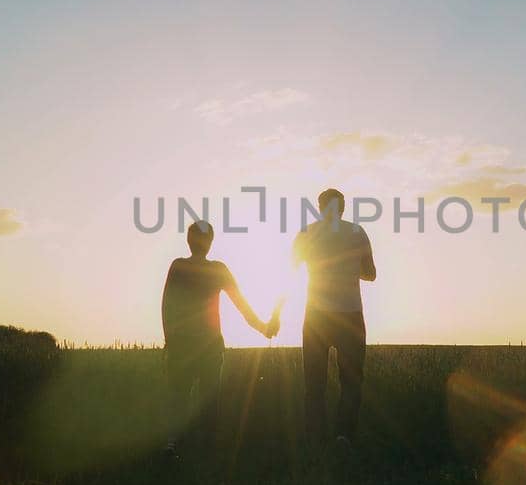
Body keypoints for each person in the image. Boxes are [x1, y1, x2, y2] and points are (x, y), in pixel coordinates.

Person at [161, 220, 279, 452]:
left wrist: (170, 340)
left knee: (178, 398)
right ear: (210, 244)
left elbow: (167, 306)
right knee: (208, 402)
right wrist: (264, 328)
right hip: (211, 347)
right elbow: (242, 306)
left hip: (182, 345)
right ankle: (205, 448)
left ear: (189, 240)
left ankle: (174, 444)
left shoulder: (179, 266)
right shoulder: (218, 270)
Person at [293, 188, 376, 443]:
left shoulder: (307, 233)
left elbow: (293, 267)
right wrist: (350, 270)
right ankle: (343, 436)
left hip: (316, 314)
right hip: (350, 313)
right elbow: (370, 273)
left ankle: (315, 438)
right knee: (351, 382)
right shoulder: (357, 232)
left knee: (314, 383)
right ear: (343, 208)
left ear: (319, 208)